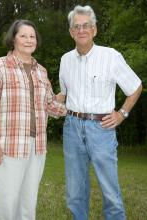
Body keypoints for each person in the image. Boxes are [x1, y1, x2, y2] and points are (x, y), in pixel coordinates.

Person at [57, 5, 142, 220]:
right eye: (77, 26)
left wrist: (122, 113)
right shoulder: (65, 60)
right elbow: (64, 95)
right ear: (71, 32)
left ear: (94, 30)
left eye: (86, 25)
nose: (81, 30)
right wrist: (51, 102)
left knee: (110, 191)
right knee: (75, 191)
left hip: (101, 129)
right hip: (72, 128)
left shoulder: (110, 56)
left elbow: (135, 86)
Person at [0, 19, 66, 220]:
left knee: (28, 205)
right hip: (8, 145)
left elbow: (51, 104)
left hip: (37, 147)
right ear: (13, 39)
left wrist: (78, 103)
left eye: (32, 36)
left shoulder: (41, 71)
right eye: (23, 35)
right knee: (6, 204)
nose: (29, 40)